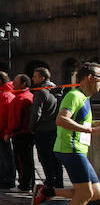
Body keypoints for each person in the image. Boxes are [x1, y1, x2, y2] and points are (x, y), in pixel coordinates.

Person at [31, 62, 100, 205]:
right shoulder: (74, 95)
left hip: (76, 149)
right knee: (85, 193)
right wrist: (90, 132)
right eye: (99, 78)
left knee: (95, 192)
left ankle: (47, 191)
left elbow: (78, 122)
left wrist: (92, 126)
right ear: (90, 78)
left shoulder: (83, 97)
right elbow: (61, 120)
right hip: (70, 148)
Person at [29, 67, 64, 195]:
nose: (33, 78)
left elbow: (36, 113)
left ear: (43, 78)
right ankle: (59, 181)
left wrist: (32, 127)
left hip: (43, 130)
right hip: (54, 129)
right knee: (55, 157)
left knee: (44, 157)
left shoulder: (41, 92)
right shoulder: (56, 90)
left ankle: (50, 181)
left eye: (35, 76)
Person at [6, 74, 35, 192]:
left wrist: (9, 132)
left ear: (23, 84)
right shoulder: (29, 96)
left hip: (20, 133)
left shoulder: (21, 99)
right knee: (27, 160)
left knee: (21, 161)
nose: (13, 84)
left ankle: (24, 185)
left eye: (16, 82)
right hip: (26, 133)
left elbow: (15, 119)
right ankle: (29, 183)